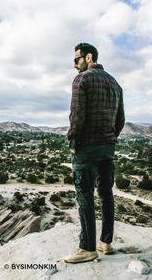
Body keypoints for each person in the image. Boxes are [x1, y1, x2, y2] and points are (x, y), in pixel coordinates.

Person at [64, 42, 125, 263]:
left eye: (76, 59)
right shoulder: (115, 83)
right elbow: (121, 120)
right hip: (107, 147)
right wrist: (110, 138)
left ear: (89, 57)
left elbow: (77, 114)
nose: (74, 65)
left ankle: (87, 248)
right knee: (106, 193)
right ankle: (106, 242)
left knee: (85, 195)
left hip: (86, 146)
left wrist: (73, 139)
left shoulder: (82, 79)